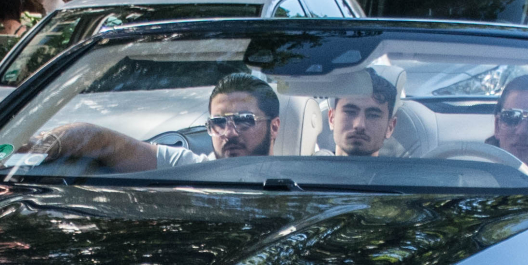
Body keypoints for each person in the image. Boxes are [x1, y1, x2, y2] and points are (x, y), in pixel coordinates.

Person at [30, 74, 287, 171]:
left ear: (274, 126)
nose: (229, 133)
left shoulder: (306, 173)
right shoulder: (189, 167)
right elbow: (100, 140)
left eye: (244, 121)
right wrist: (36, 146)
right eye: (219, 122)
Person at [327, 72, 396, 156]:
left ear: (390, 127)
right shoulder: (309, 168)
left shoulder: (409, 169)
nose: (359, 125)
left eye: (373, 115)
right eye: (350, 112)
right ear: (332, 118)